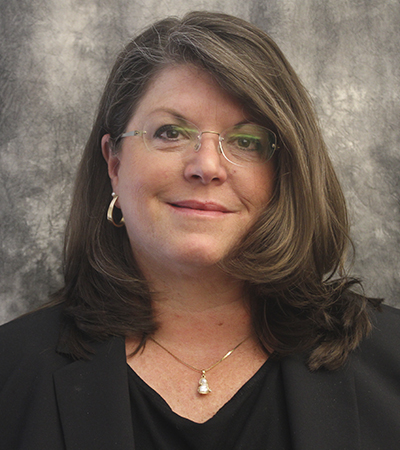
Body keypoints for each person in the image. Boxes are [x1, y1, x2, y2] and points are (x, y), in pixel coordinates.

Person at [1, 10, 399, 450]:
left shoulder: (391, 361)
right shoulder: (10, 371)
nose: (206, 166)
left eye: (246, 141)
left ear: (284, 173)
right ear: (114, 163)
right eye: (170, 132)